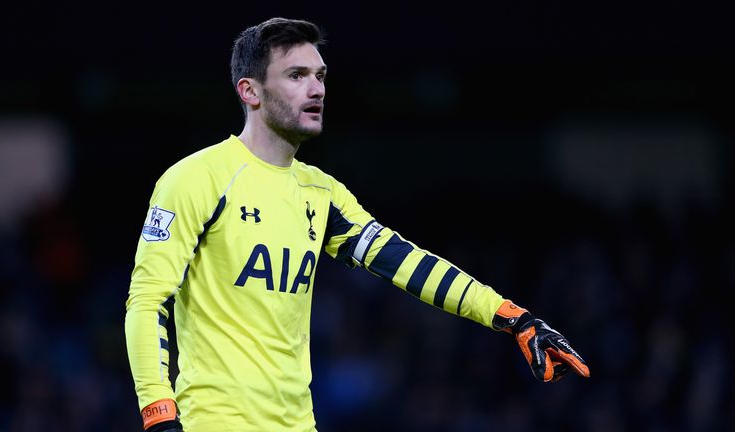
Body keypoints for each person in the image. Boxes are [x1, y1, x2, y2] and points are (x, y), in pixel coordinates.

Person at [124, 17, 590, 432]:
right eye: (297, 76)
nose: (318, 89)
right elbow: (146, 303)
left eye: (320, 76)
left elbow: (406, 262)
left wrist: (510, 316)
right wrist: (159, 414)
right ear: (250, 91)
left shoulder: (322, 193)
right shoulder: (196, 179)